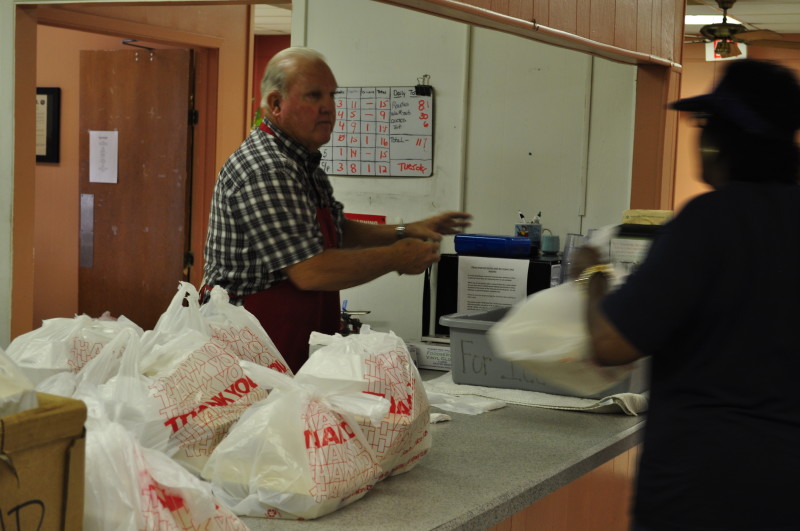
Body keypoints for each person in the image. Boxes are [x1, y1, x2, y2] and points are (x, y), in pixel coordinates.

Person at [571, 59, 800, 531]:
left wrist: (591, 275)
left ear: (720, 140)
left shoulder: (711, 220)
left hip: (706, 488)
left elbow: (613, 346)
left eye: (703, 125)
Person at [202, 47, 471, 372]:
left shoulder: (302, 162)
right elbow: (310, 269)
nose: (328, 107)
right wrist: (397, 256)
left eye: (331, 96)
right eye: (314, 96)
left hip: (294, 343)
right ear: (275, 104)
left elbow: (336, 231)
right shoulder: (267, 167)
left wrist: (407, 229)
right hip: (252, 350)